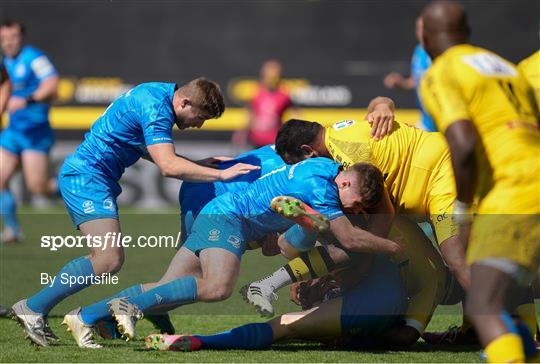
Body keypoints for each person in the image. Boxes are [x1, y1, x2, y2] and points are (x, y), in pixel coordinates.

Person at [11, 78, 260, 347]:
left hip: (95, 177)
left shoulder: (157, 94)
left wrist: (194, 164)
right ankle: (33, 307)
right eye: (199, 117)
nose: (198, 125)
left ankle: (38, 308)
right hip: (87, 177)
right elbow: (168, 166)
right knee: (107, 258)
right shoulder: (156, 107)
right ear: (184, 102)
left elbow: (144, 147)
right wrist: (221, 175)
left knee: (107, 258)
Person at [64, 158, 403, 349]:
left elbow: (295, 234)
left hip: (222, 213)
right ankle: (129, 306)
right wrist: (394, 247)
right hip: (229, 219)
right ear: (345, 184)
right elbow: (353, 241)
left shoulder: (324, 167)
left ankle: (84, 316)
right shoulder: (323, 190)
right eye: (356, 203)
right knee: (217, 287)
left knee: (168, 288)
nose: (356, 209)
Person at [419, 1, 540, 362]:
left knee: (484, 302)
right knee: (509, 293)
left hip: (510, 192)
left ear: (426, 38)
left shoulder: (442, 72)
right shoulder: (507, 68)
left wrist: (462, 208)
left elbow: (464, 144)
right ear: (468, 33)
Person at [145, 254, 407, 352]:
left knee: (283, 326)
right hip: (388, 305)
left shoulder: (351, 235)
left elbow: (356, 264)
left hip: (369, 306)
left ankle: (200, 340)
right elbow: (407, 334)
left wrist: (321, 284)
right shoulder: (377, 233)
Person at [0, 20, 59, 244]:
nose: (8, 43)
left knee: (39, 188)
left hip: (35, 134)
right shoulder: (4, 62)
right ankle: (13, 231)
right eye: (4, 39)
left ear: (21, 38)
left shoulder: (34, 58)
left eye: (13, 38)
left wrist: (27, 99)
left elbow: (52, 85)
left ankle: (76, 188)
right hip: (13, 132)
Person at [383, 16, 436, 131]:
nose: (421, 33)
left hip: (442, 122)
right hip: (425, 121)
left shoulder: (439, 52)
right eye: (419, 29)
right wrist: (401, 82)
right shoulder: (419, 50)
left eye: (425, 29)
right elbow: (416, 80)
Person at [232, 59, 294, 149]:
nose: (271, 77)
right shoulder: (256, 91)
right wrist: (241, 132)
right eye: (269, 74)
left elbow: (295, 114)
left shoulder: (284, 94)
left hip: (274, 141)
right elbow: (249, 114)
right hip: (256, 139)